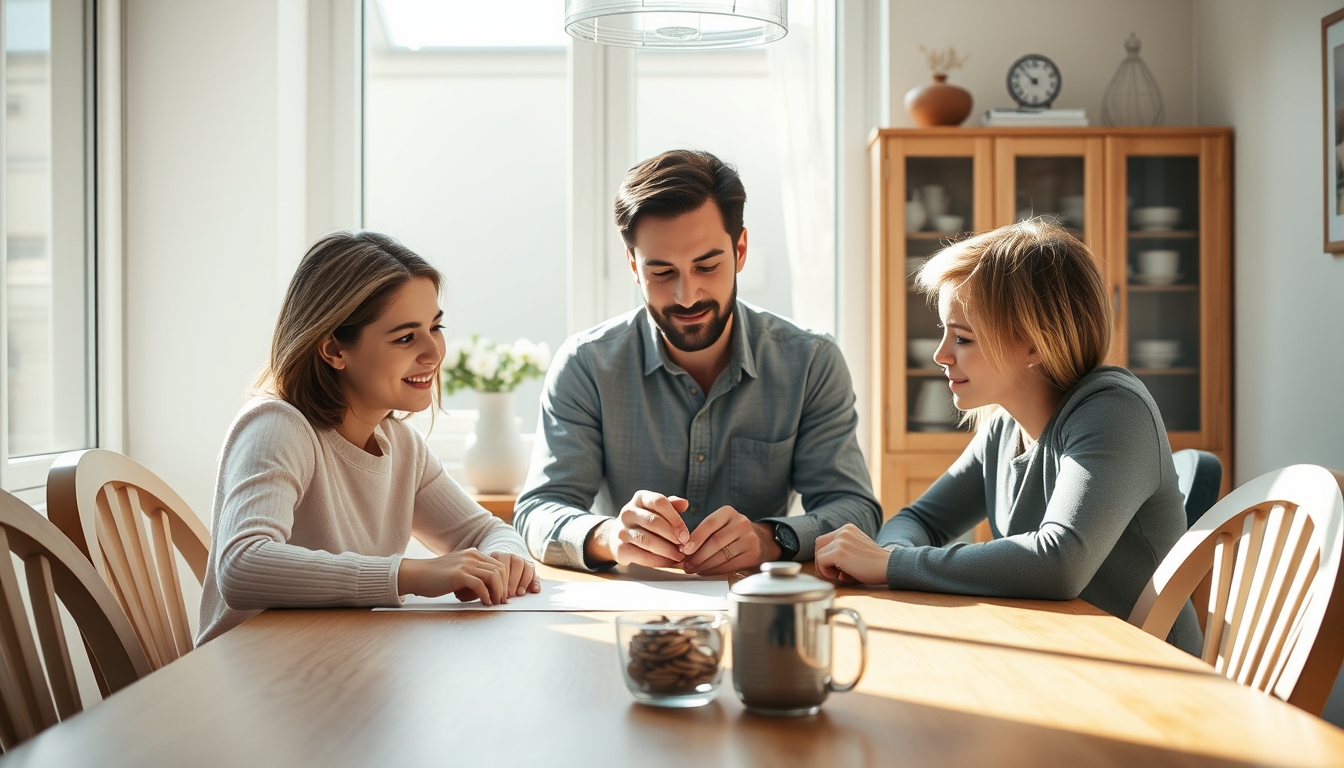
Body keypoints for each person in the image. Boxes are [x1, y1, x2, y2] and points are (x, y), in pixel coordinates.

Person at [814, 220, 1201, 654]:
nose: (940, 355)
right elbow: (922, 520)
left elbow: (1059, 563)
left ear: (1035, 345)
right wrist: (887, 556)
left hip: (1148, 674)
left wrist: (890, 562)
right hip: (1059, 653)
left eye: (962, 337)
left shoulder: (1115, 412)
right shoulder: (1004, 426)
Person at [513, 149, 881, 576]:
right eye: (662, 272)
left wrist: (769, 538)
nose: (687, 295)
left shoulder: (811, 362)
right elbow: (538, 511)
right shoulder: (586, 365)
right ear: (633, 265)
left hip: (759, 607)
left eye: (707, 265)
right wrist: (608, 537)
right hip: (629, 610)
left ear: (740, 250)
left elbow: (856, 511)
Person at [198, 231, 539, 645]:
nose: (434, 352)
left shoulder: (402, 446)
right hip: (252, 680)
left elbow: (485, 531)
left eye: (436, 326)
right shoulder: (277, 427)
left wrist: (507, 560)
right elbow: (242, 567)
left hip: (338, 666)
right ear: (334, 351)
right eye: (405, 337)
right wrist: (408, 574)